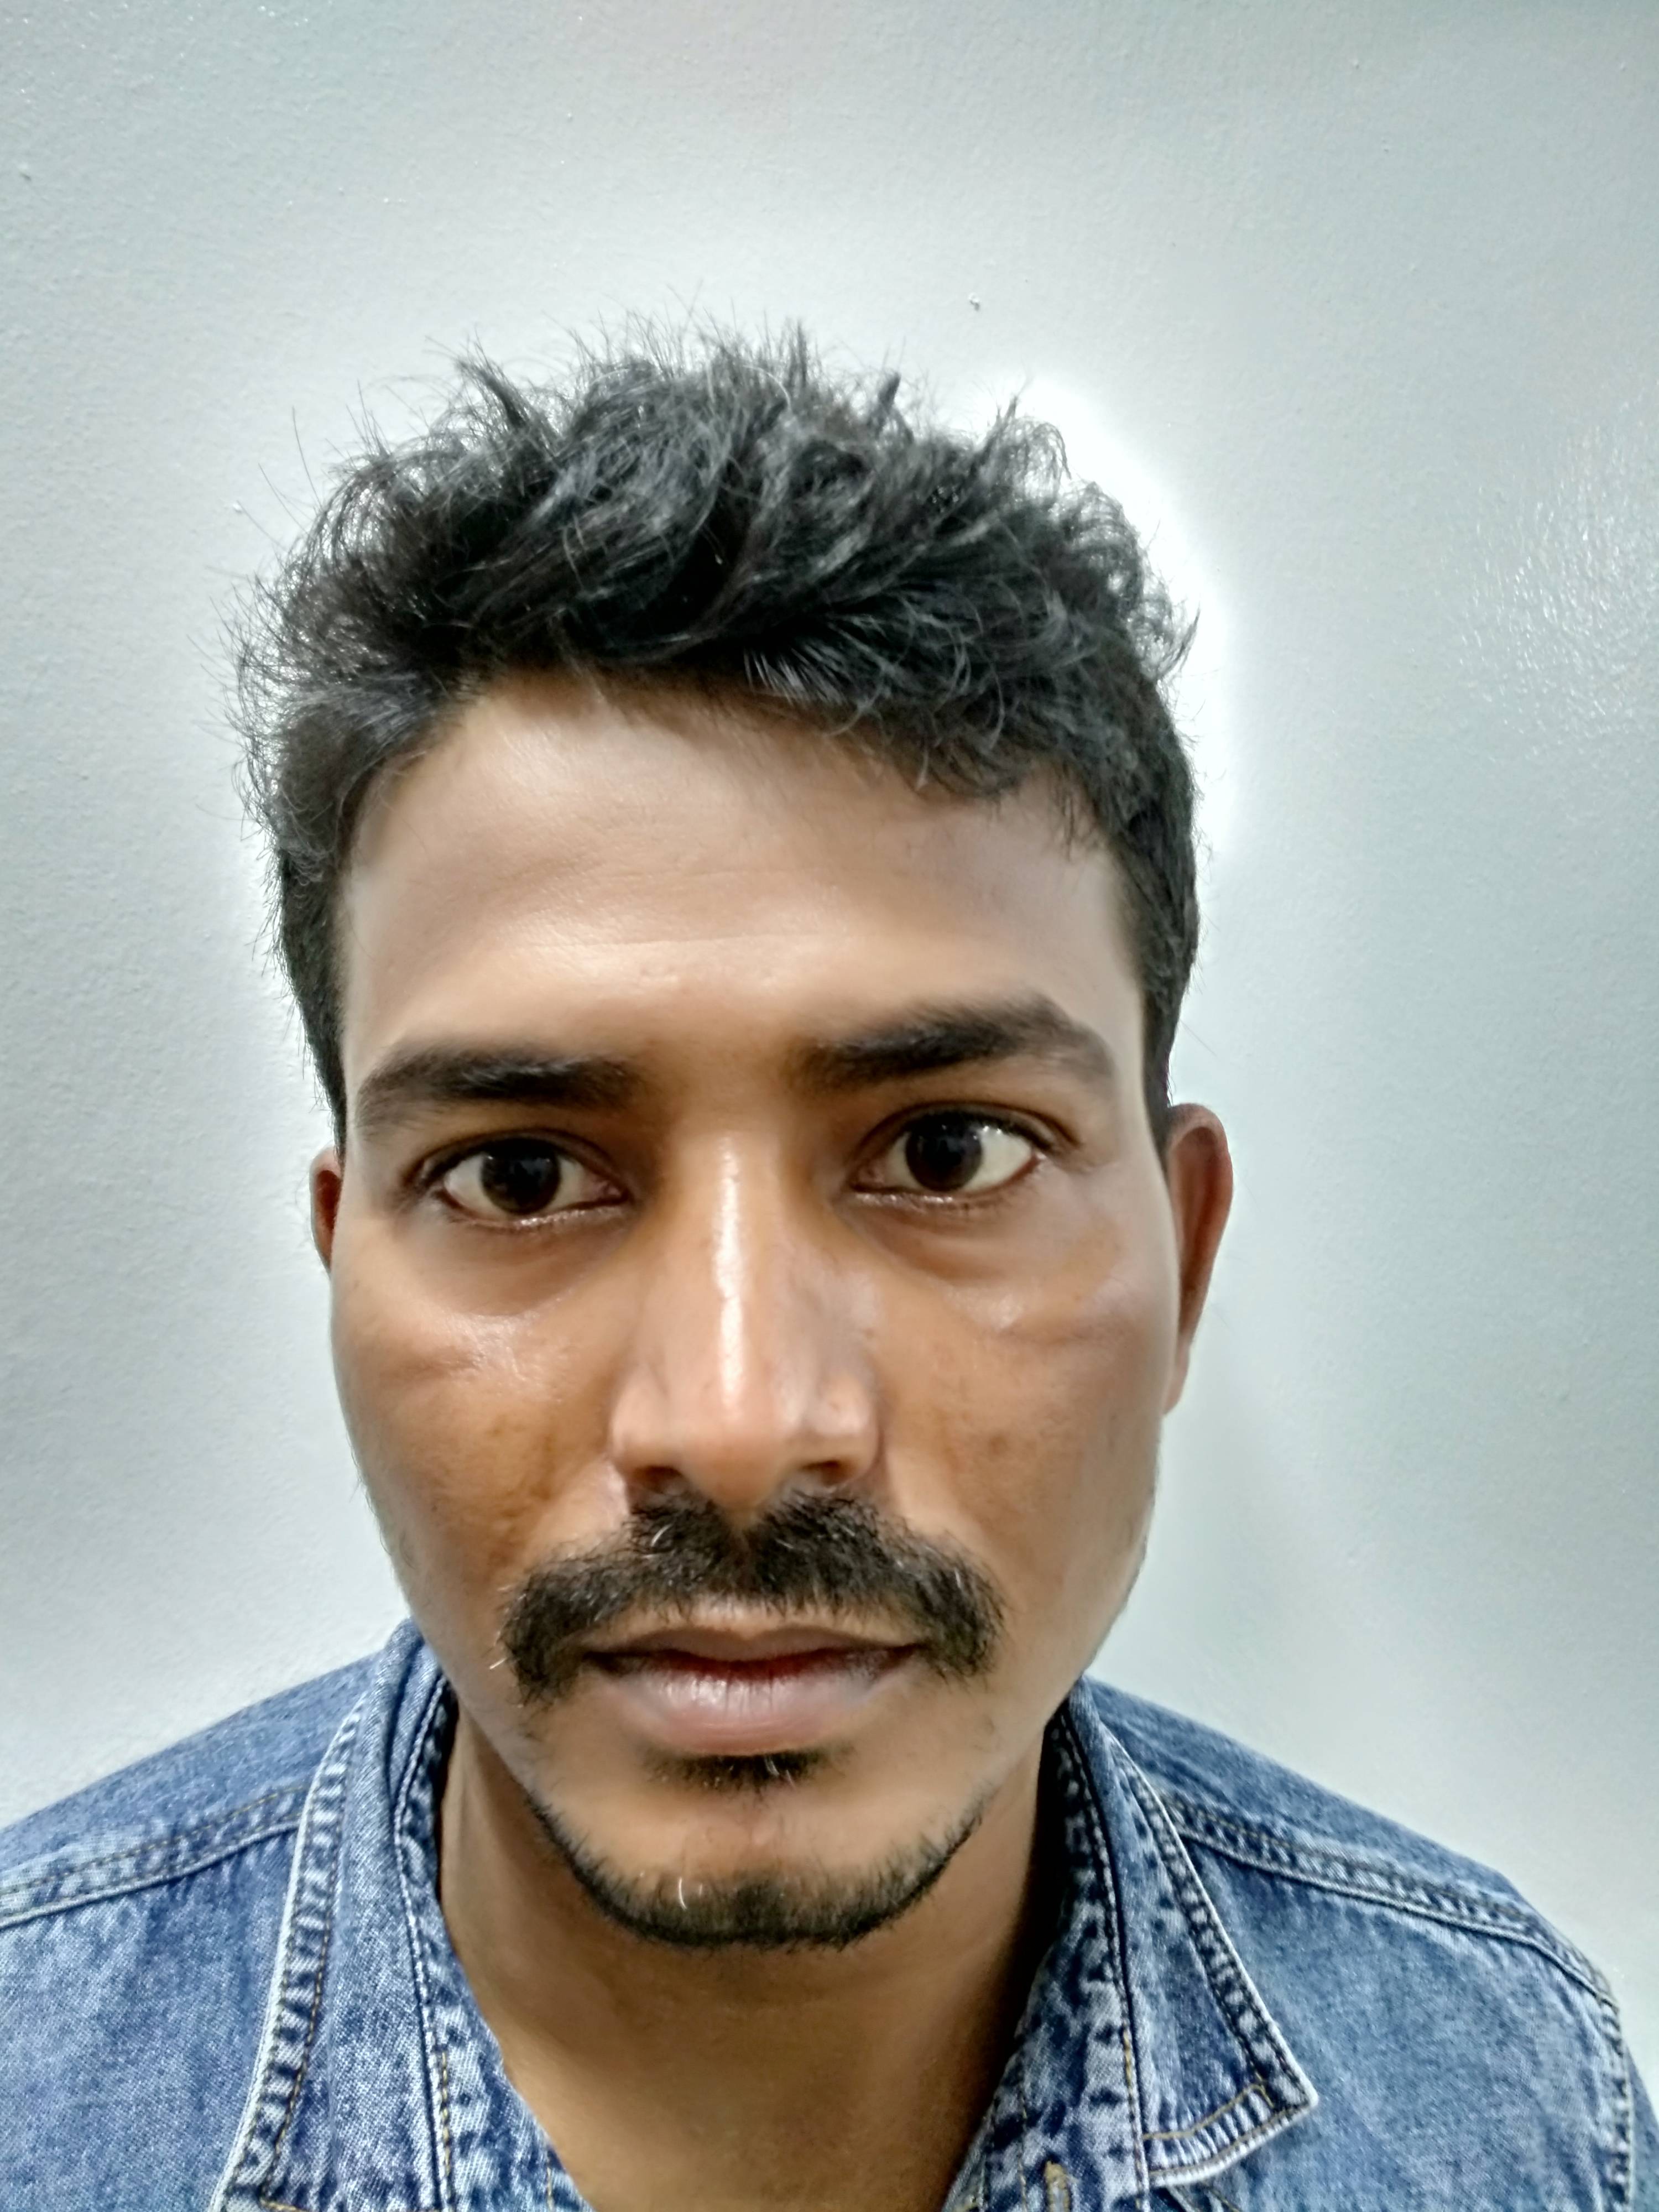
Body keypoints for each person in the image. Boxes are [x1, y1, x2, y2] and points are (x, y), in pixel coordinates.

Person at [3, 328, 1652, 2212]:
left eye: (949, 1153)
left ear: (1186, 1261)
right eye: (521, 1175)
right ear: (340, 1271)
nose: (738, 1426)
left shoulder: (1514, 2108)